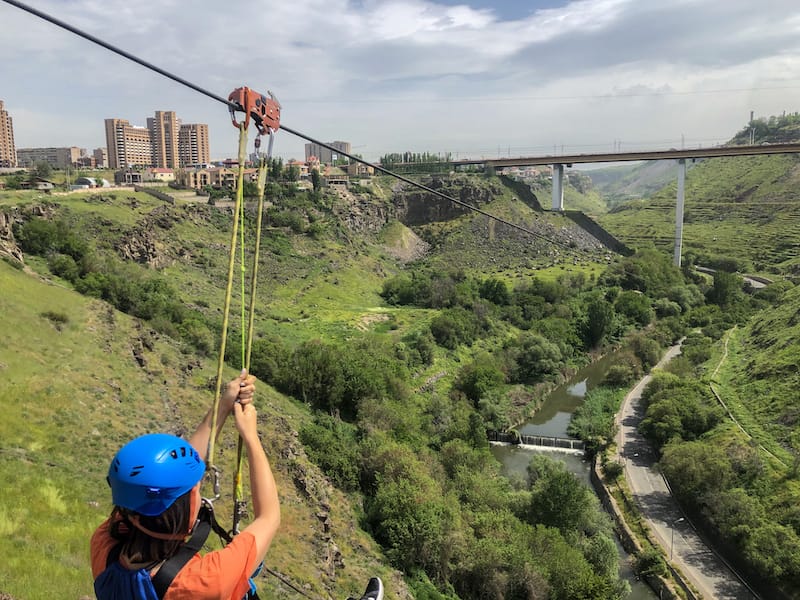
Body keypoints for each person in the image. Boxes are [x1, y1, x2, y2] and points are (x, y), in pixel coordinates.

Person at [91, 370, 280, 599]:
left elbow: (180, 468)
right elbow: (269, 517)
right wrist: (251, 435)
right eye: (196, 489)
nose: (199, 492)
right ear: (180, 510)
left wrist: (223, 405)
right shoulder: (204, 582)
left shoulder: (105, 548)